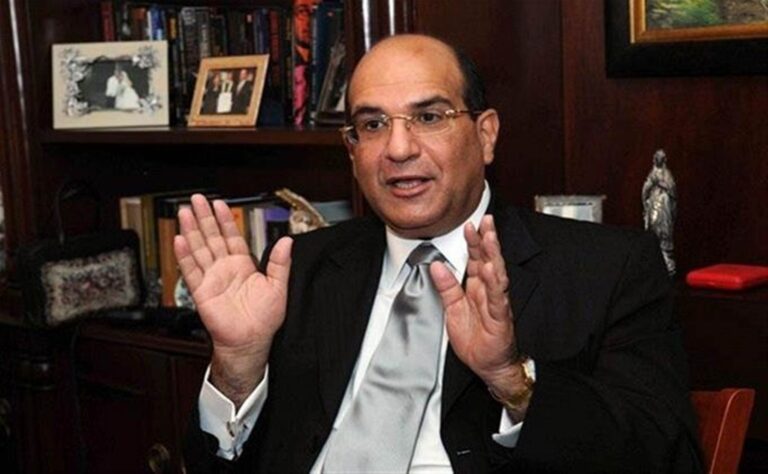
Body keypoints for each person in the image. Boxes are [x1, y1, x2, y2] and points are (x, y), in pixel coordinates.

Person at [176, 34, 702, 473]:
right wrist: (237, 367)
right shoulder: (300, 267)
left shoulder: (605, 268)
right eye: (373, 125)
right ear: (352, 151)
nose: (398, 149)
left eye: (428, 117)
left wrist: (512, 381)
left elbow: (667, 454)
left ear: (486, 135)